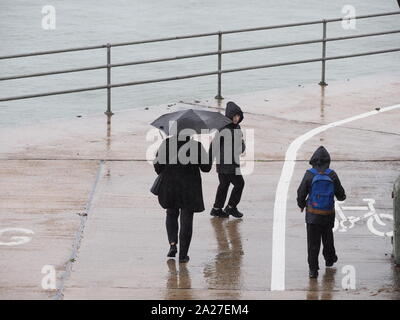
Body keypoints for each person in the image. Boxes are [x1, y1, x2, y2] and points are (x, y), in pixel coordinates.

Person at [153, 134, 211, 263]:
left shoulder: (167, 144)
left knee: (171, 214)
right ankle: (183, 255)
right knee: (187, 220)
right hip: (189, 188)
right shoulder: (196, 146)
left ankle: (173, 245)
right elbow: (206, 168)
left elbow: (157, 167)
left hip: (170, 186)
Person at [297, 146, 346, 278]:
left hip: (313, 215)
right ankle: (330, 259)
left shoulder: (309, 174)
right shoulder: (332, 174)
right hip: (328, 214)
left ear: (313, 160)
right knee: (328, 237)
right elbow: (340, 193)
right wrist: (341, 197)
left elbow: (301, 192)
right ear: (328, 161)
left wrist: (301, 204)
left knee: (313, 243)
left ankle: (313, 270)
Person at [209, 101, 246, 219]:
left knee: (224, 185)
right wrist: (208, 160)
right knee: (240, 184)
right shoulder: (223, 128)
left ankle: (216, 209)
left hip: (227, 163)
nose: (236, 118)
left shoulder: (237, 127)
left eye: (238, 116)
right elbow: (214, 145)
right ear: (229, 115)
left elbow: (241, 147)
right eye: (234, 116)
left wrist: (241, 143)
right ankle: (231, 207)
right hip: (227, 164)